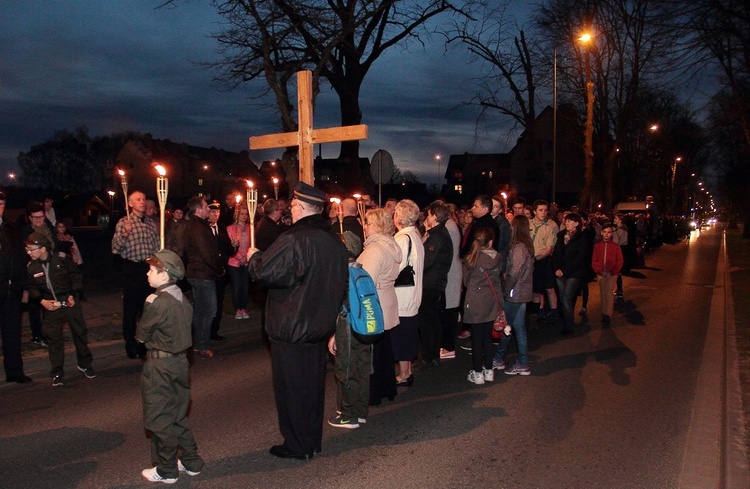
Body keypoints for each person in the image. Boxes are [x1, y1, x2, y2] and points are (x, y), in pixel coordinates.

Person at [246, 182, 349, 460]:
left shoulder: (295, 239)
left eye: (292, 205)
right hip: (318, 327)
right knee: (312, 389)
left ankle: (297, 445)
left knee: (292, 391)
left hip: (293, 327)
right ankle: (310, 440)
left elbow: (266, 271)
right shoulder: (334, 241)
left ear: (301, 207)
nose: (289, 208)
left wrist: (253, 257)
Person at [136, 249, 204, 484]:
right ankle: (191, 461)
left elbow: (141, 335)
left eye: (152, 270)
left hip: (160, 366)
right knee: (178, 414)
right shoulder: (183, 300)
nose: (147, 274)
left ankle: (166, 469)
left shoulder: (156, 301)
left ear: (164, 276)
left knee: (159, 418)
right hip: (180, 363)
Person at [25, 232, 94, 386]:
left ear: (42, 248)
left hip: (68, 299)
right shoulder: (32, 267)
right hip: (50, 302)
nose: (28, 253)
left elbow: (75, 276)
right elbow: (32, 287)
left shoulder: (61, 258)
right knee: (54, 337)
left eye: (31, 249)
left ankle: (85, 364)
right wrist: (42, 301)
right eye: (27, 250)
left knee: (79, 331)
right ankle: (57, 371)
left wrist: (72, 294)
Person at [360, 208, 401, 407]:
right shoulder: (390, 245)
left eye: (367, 223)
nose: (365, 226)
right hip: (387, 300)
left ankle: (374, 393)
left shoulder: (375, 249)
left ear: (376, 226)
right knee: (384, 350)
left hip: (374, 304)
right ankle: (388, 388)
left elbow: (365, 281)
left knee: (373, 353)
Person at [112, 190, 160, 359]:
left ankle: (144, 341)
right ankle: (130, 343)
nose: (142, 201)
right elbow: (115, 249)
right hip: (132, 270)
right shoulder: (124, 222)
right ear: (130, 204)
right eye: (138, 199)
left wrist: (159, 267)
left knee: (147, 309)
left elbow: (155, 247)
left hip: (148, 269)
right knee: (131, 310)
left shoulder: (150, 223)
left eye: (144, 198)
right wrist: (125, 234)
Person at [494, 215, 534, 376]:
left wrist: (505, 288)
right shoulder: (527, 246)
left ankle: (498, 358)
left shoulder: (519, 248)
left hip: (515, 293)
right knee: (518, 327)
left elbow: (514, 273)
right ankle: (522, 362)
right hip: (522, 292)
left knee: (506, 327)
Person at [183, 196, 223, 359]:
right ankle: (202, 346)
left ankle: (198, 344)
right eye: (206, 206)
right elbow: (206, 252)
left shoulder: (197, 225)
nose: (209, 209)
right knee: (208, 311)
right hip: (202, 274)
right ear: (198, 209)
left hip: (200, 272)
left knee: (201, 311)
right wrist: (218, 268)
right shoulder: (197, 227)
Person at [462, 227, 502, 385]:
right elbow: (498, 281)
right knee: (487, 338)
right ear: (491, 241)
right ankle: (489, 371)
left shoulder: (471, 258)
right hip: (491, 301)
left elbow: (466, 282)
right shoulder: (498, 257)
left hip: (475, 302)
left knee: (476, 339)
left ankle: (478, 373)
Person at [0, 192, 32, 383]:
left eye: (2, 203)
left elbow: (21, 260)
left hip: (12, 290)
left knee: (12, 334)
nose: (0, 207)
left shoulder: (11, 229)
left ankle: (15, 372)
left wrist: (25, 286)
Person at [392, 199, 424, 387]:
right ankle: (408, 371)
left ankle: (404, 374)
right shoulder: (415, 236)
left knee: (402, 335)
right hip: (411, 294)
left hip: (402, 296)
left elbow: (396, 266)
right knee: (407, 333)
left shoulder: (403, 239)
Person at [418, 202, 453, 368]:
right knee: (429, 319)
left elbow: (426, 260)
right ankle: (430, 353)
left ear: (435, 217)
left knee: (429, 320)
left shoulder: (438, 236)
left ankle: (430, 355)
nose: (426, 218)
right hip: (432, 282)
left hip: (431, 284)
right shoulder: (435, 234)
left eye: (429, 215)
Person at [552, 213, 590, 335]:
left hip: (574, 273)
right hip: (560, 272)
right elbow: (556, 254)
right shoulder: (561, 235)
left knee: (566, 298)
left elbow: (580, 257)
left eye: (570, 221)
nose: (566, 223)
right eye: (566, 221)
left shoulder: (582, 237)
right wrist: (556, 268)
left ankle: (569, 325)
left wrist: (564, 270)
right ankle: (566, 321)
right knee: (563, 299)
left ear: (576, 223)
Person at [529, 200, 559, 322]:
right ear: (534, 211)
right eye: (540, 210)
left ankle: (554, 313)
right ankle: (537, 313)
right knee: (535, 289)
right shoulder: (528, 224)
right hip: (529, 260)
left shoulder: (551, 226)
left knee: (548, 287)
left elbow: (549, 248)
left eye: (545, 210)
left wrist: (536, 258)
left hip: (543, 260)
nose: (543, 213)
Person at [207, 200, 233, 341]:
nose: (215, 214)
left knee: (218, 301)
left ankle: (214, 330)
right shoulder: (204, 229)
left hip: (221, 272)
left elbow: (228, 250)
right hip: (209, 272)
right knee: (208, 303)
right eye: (212, 212)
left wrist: (233, 246)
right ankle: (206, 330)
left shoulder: (222, 229)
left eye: (217, 212)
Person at [439, 202, 462, 360]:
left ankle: (448, 347)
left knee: (449, 312)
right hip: (452, 272)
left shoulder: (448, 227)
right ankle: (447, 345)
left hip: (450, 273)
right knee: (449, 311)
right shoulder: (451, 225)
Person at [592, 222, 624, 324]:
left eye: (609, 232)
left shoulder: (615, 247)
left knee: (609, 292)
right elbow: (594, 260)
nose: (606, 234)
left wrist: (613, 271)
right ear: (601, 233)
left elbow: (620, 260)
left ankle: (607, 314)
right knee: (603, 292)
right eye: (605, 232)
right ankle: (604, 311)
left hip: (612, 273)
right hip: (601, 273)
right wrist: (600, 270)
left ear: (612, 233)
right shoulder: (597, 246)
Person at [226, 206, 252, 319]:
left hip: (246, 261)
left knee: (245, 286)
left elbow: (251, 244)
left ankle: (243, 308)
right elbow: (230, 245)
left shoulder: (250, 228)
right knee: (236, 286)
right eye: (242, 214)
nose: (244, 216)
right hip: (234, 262)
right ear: (237, 215)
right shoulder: (231, 228)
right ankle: (237, 308)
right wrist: (239, 257)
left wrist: (246, 257)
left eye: (246, 214)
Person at [613, 213, 629, 298]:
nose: (614, 220)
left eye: (616, 219)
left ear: (620, 220)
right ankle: (619, 289)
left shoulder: (619, 231)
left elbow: (616, 242)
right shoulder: (623, 228)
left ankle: (619, 290)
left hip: (618, 250)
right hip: (622, 250)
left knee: (617, 272)